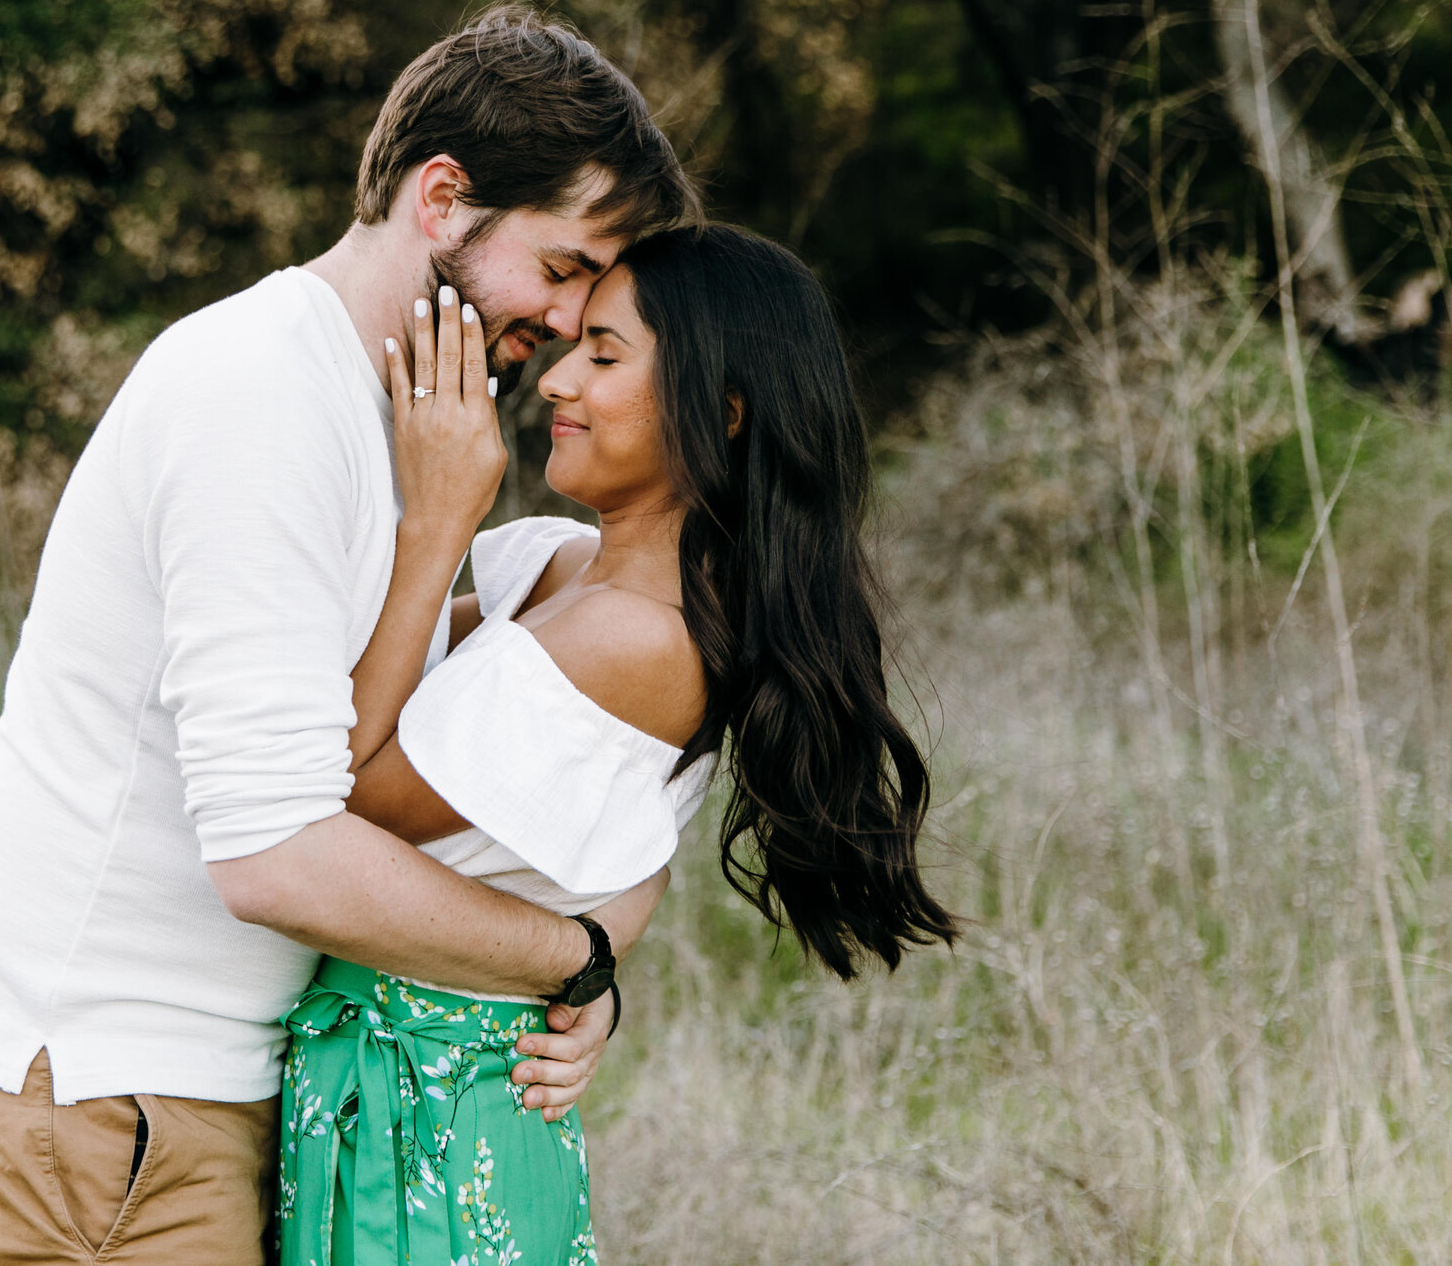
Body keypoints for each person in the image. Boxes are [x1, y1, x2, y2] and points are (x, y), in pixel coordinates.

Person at [0, 4, 699, 1265]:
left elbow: (463, 719)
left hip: (182, 1080)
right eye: (557, 268)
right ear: (442, 200)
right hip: (96, 1089)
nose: (557, 330)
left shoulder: (388, 410)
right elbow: (275, 852)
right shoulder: (258, 397)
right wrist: (565, 956)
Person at [279, 223, 958, 1265]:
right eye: (570, 346)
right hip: (384, 1091)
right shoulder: (559, 566)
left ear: (720, 414)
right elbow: (349, 671)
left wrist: (436, 521)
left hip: (434, 1119)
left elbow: (342, 796)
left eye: (603, 354)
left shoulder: (638, 638)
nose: (556, 380)